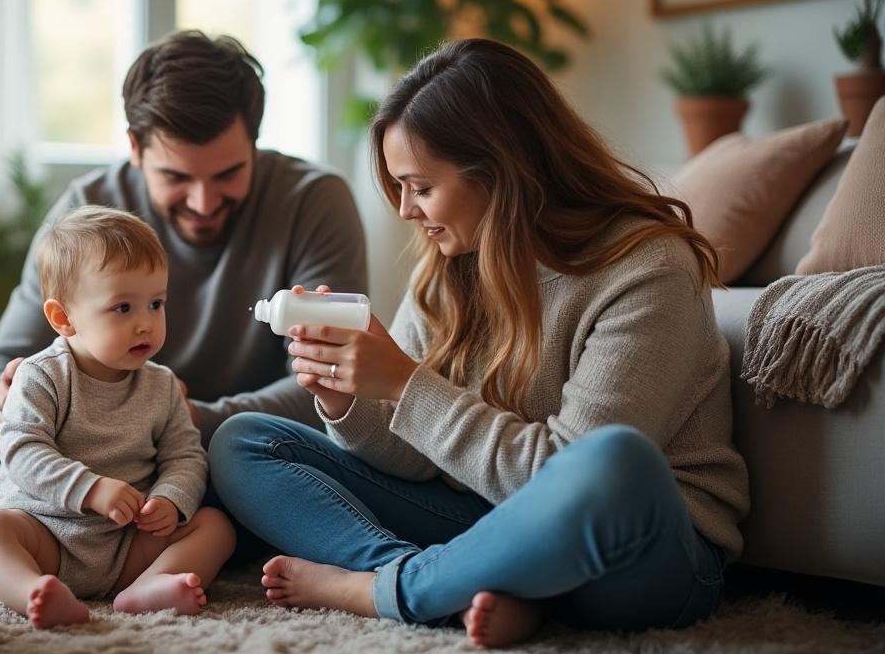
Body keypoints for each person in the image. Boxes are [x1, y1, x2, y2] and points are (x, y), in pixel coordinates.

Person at [208, 38, 750, 648]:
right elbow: (419, 458)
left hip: (639, 554)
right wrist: (348, 398)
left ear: (499, 172)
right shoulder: (449, 265)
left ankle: (392, 589)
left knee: (611, 460)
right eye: (399, 186)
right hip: (486, 522)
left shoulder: (647, 268)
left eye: (420, 186)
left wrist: (407, 386)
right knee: (246, 440)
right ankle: (456, 582)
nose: (408, 210)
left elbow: (559, 476)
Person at [0, 30, 368, 533]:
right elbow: (1, 356)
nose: (203, 203)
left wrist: (186, 417)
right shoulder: (86, 211)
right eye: (176, 178)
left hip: (224, 455)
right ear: (134, 147)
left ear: (254, 142)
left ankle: (71, 539)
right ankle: (138, 538)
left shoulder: (313, 201)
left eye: (228, 174)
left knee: (266, 461)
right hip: (84, 468)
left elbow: (325, 383)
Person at [0, 206, 236, 628]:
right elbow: (22, 450)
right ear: (63, 318)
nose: (146, 324)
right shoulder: (41, 375)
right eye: (123, 308)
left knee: (215, 526)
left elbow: (185, 455)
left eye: (156, 303)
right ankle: (33, 590)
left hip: (127, 542)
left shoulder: (161, 385)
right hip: (46, 532)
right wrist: (90, 490)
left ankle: (149, 585)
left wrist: (170, 499)